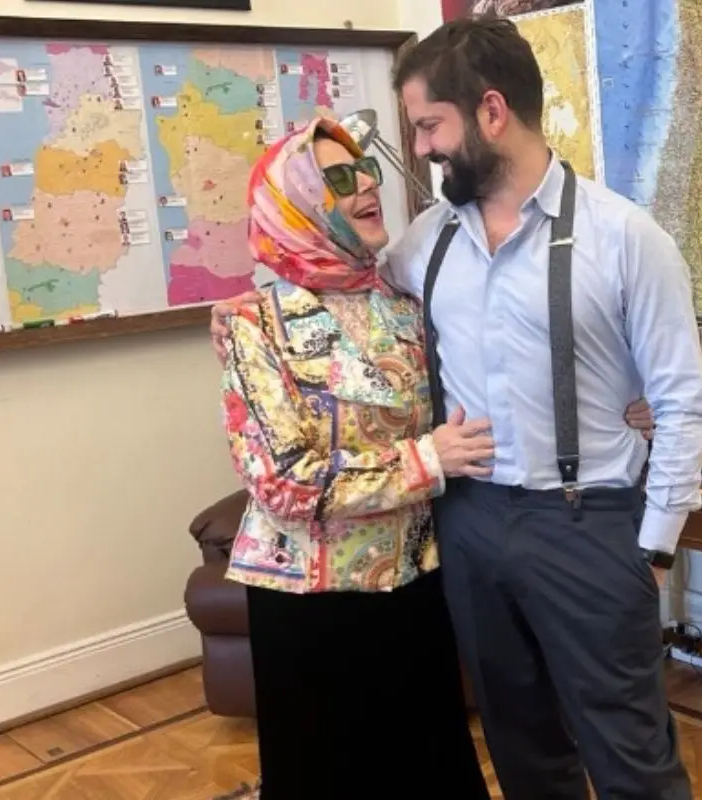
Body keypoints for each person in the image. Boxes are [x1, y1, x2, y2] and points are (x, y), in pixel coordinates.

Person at [212, 16, 702, 800]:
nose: (417, 150)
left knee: (631, 753)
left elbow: (684, 404)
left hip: (585, 521)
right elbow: (341, 302)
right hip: (468, 525)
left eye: (427, 126)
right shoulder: (421, 247)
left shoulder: (627, 238)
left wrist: (653, 547)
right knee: (522, 747)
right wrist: (254, 314)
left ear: (489, 111)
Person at [216, 117, 494, 799]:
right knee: (331, 775)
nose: (366, 183)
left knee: (431, 766)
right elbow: (280, 479)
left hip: (413, 578)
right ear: (298, 202)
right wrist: (425, 462)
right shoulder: (251, 323)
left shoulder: (404, 303)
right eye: (337, 178)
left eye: (364, 168)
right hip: (311, 602)